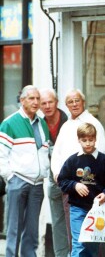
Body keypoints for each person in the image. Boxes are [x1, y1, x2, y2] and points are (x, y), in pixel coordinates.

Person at [51, 88, 105, 249]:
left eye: (77, 100)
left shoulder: (93, 123)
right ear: (66, 105)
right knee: (73, 232)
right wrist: (57, 173)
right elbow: (57, 153)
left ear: (83, 102)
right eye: (70, 102)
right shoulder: (66, 125)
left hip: (89, 188)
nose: (74, 104)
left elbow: (101, 155)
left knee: (92, 233)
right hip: (69, 186)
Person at [0, 85, 50, 257]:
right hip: (18, 181)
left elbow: (44, 152)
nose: (36, 102)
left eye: (38, 99)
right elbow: (1, 155)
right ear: (22, 101)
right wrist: (10, 177)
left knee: (32, 230)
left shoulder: (42, 122)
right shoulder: (9, 123)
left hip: (37, 185)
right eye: (31, 98)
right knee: (14, 228)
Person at [57, 123, 105, 257]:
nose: (88, 143)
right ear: (79, 140)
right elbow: (62, 180)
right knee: (79, 243)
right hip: (77, 209)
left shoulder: (104, 160)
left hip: (97, 210)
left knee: (91, 244)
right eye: (84, 140)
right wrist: (75, 185)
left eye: (91, 140)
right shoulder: (73, 160)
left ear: (95, 139)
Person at [39, 88, 69, 257]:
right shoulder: (40, 124)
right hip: (52, 179)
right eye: (44, 103)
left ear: (57, 102)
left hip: (70, 178)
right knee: (57, 221)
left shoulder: (68, 121)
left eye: (51, 102)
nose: (48, 106)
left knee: (71, 220)